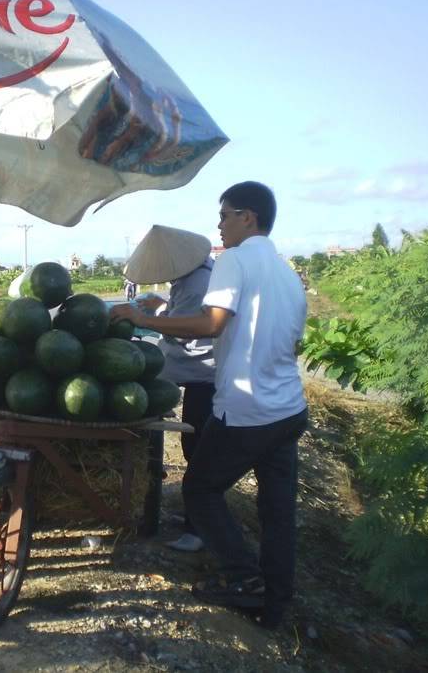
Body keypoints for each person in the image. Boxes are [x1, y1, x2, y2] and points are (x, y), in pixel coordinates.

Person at [110, 182, 308, 630]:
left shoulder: (233, 260)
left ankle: (242, 578)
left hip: (247, 408)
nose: (219, 224)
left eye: (224, 215)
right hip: (289, 409)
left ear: (248, 218)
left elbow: (211, 323)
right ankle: (274, 605)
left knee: (199, 490)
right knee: (277, 511)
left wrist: (143, 318)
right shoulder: (286, 272)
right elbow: (290, 341)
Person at [123, 225, 216, 552]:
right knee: (196, 446)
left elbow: (185, 331)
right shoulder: (197, 274)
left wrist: (142, 318)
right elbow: (181, 316)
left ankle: (199, 528)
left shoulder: (197, 283)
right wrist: (161, 308)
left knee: (198, 450)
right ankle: (197, 518)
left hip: (204, 373)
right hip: (193, 369)